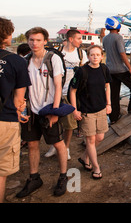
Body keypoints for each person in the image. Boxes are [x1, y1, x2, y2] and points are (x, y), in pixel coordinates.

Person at [17, 27, 68, 198]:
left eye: (38, 40)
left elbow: (58, 86)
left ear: (45, 41)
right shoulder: (26, 61)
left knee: (58, 144)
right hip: (32, 110)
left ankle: (63, 176)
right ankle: (34, 177)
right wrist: (22, 108)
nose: (34, 43)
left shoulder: (53, 59)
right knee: (32, 144)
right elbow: (22, 87)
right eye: (31, 40)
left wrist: (54, 111)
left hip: (48, 109)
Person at [0, 17, 31, 203]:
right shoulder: (16, 61)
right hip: (5, 119)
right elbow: (20, 99)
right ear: (6, 35)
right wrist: (20, 111)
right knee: (1, 172)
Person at [70, 45, 112, 180]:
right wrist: (74, 109)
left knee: (100, 138)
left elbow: (107, 85)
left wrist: (108, 103)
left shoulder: (104, 69)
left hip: (101, 109)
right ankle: (96, 167)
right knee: (91, 139)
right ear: (88, 56)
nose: (95, 57)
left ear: (102, 56)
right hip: (87, 111)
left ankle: (84, 157)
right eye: (92, 55)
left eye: (98, 55)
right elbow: (72, 90)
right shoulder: (82, 71)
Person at [45, 29, 88, 160]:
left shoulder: (81, 54)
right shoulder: (57, 53)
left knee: (69, 124)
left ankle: (66, 147)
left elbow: (85, 72)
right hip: (56, 92)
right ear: (70, 39)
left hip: (72, 93)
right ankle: (55, 145)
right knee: (54, 121)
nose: (81, 41)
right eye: (79, 38)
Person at [102, 17, 131, 124]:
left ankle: (114, 118)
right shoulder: (118, 38)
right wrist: (130, 69)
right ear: (117, 25)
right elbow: (122, 53)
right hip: (120, 69)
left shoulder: (105, 38)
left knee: (114, 94)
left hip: (109, 70)